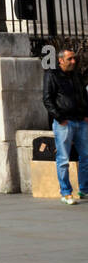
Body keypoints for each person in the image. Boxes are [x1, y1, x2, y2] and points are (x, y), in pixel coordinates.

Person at [43, 45, 88, 205]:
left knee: (86, 156)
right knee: (63, 158)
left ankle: (84, 189)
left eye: (74, 58)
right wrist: (60, 117)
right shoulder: (52, 75)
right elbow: (47, 99)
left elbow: (83, 95)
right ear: (61, 60)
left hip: (80, 121)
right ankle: (66, 192)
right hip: (64, 123)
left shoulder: (76, 75)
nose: (73, 61)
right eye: (70, 58)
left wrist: (85, 114)